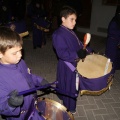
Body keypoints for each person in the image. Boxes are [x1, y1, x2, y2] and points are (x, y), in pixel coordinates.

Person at [0, 26, 48, 120]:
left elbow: (28, 76)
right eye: (15, 53)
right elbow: (1, 106)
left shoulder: (20, 62)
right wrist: (11, 104)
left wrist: (39, 80)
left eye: (20, 50)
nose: (20, 55)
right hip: (20, 116)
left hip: (32, 104)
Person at [52, 6, 93, 114]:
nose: (74, 22)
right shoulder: (58, 34)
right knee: (69, 86)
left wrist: (89, 51)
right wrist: (77, 54)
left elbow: (79, 44)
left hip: (74, 61)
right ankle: (69, 108)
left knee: (68, 84)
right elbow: (62, 53)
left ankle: (64, 97)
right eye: (72, 19)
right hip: (67, 65)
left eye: (75, 20)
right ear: (63, 19)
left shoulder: (70, 31)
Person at [105, 6, 120, 72]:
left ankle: (115, 67)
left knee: (117, 56)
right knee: (110, 59)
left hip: (117, 41)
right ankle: (109, 73)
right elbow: (112, 32)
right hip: (112, 41)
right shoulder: (115, 21)